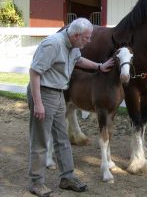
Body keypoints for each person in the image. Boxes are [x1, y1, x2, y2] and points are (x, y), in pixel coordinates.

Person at [27, 18, 114, 197]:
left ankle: (67, 177)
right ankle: (37, 183)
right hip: (43, 92)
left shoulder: (73, 46)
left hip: (59, 93)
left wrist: (99, 66)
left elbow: (79, 60)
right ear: (76, 35)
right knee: (41, 139)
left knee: (62, 138)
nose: (89, 41)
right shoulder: (52, 44)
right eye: (87, 38)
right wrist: (38, 103)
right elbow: (34, 72)